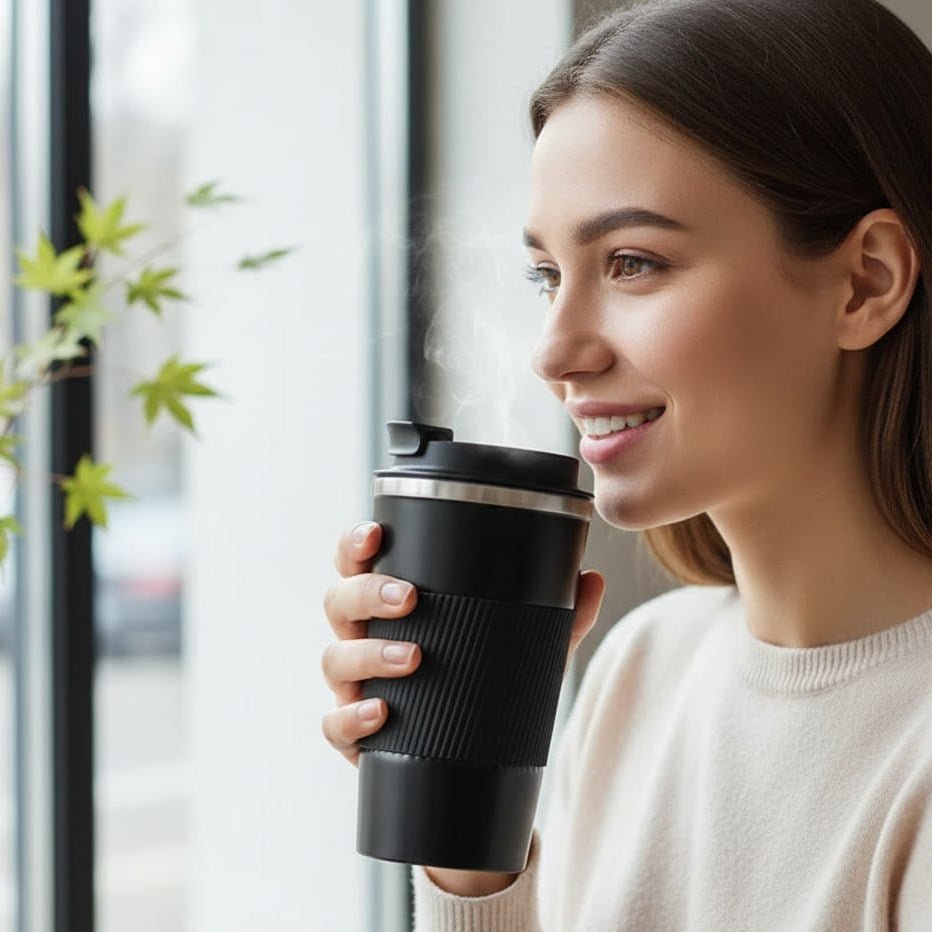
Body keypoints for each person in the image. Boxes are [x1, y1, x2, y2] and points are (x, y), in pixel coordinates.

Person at [321, 0, 932, 927]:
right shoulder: (641, 670)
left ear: (867, 281)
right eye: (547, 277)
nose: (556, 350)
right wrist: (468, 844)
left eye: (635, 263)